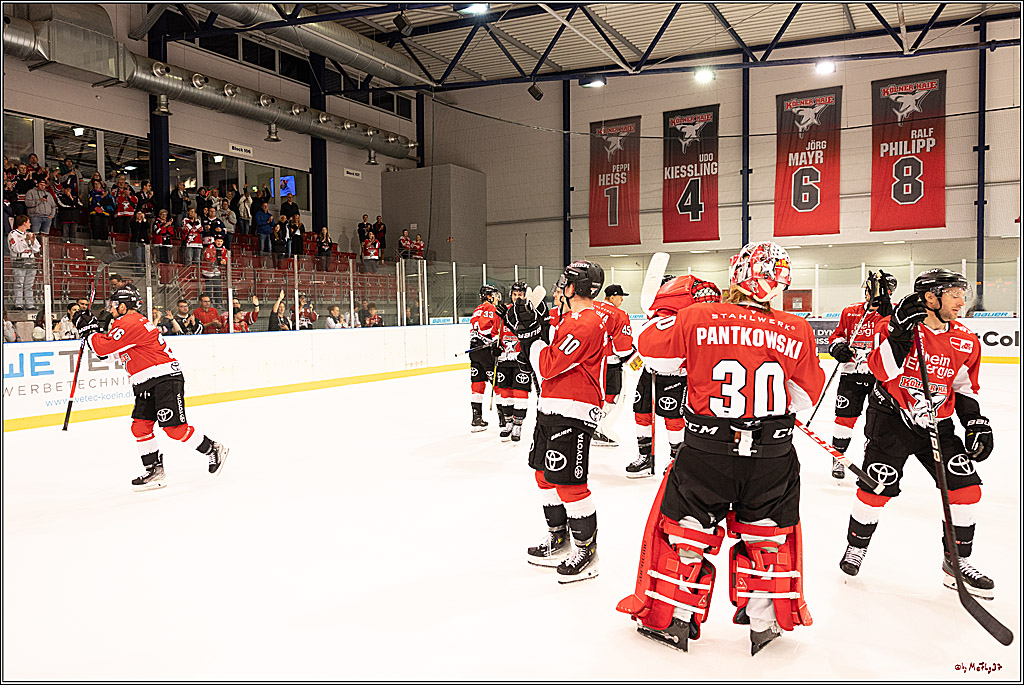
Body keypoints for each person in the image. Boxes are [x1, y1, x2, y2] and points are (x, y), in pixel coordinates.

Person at [617, 242, 824, 655]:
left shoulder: (697, 316)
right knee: (766, 538)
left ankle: (676, 622)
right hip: (772, 454)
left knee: (689, 532)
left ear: (737, 275)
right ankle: (764, 626)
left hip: (706, 451)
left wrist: (664, 313)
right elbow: (804, 398)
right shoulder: (797, 329)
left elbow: (652, 352)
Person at [838, 269, 995, 599]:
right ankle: (857, 547)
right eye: (954, 293)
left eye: (961, 294)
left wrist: (976, 422)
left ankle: (956, 562)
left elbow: (964, 387)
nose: (961, 300)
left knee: (966, 490)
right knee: (876, 489)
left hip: (938, 425)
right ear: (931, 297)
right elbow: (881, 371)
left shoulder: (966, 339)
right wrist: (898, 333)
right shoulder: (898, 327)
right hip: (891, 421)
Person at [504, 260, 608, 584]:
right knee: (543, 475)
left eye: (565, 283)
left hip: (574, 411)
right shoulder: (571, 319)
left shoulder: (587, 323)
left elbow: (548, 364)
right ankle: (559, 539)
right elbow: (550, 351)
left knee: (570, 485)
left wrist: (531, 342)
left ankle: (586, 550)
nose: (560, 288)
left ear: (574, 287)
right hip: (551, 408)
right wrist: (535, 332)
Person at [74, 288, 228, 491]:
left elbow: (103, 348)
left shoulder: (129, 322)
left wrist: (90, 332)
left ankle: (213, 448)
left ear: (123, 306)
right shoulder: (126, 324)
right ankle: (154, 471)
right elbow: (106, 353)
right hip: (145, 382)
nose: (110, 309)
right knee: (140, 426)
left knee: (175, 429)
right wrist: (91, 333)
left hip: (163, 379)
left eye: (113, 305)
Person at [826, 270, 897, 479]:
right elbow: (837, 335)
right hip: (851, 375)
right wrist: (837, 347)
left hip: (880, 378)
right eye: (868, 289)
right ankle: (838, 458)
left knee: (876, 423)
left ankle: (870, 463)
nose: (869, 294)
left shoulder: (893, 315)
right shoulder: (850, 311)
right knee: (844, 419)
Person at [628, 275, 694, 477]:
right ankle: (645, 457)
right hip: (649, 371)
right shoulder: (655, 312)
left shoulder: (688, 310)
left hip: (676, 374)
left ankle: (677, 460)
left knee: (673, 417)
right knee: (641, 411)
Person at [591, 284, 635, 448]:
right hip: (608, 364)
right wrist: (632, 354)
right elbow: (622, 348)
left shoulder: (592, 306)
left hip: (588, 361)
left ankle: (588, 426)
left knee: (593, 396)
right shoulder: (619, 314)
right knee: (612, 397)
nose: (622, 299)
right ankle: (598, 430)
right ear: (613, 296)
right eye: (621, 296)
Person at [493, 282, 533, 442]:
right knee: (505, 392)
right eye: (515, 294)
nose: (517, 297)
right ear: (511, 295)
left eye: (520, 294)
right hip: (504, 358)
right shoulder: (503, 311)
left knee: (520, 392)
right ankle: (508, 422)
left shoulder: (529, 311)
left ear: (525, 295)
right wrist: (494, 349)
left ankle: (518, 424)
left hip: (521, 359)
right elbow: (496, 333)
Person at [468, 285, 501, 431]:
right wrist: (496, 342)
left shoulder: (477, 309)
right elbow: (489, 329)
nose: (496, 298)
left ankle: (477, 419)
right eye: (494, 294)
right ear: (488, 296)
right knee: (497, 384)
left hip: (474, 350)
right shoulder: (491, 309)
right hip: (485, 351)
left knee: (477, 385)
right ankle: (503, 420)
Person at [7, 215, 39, 310]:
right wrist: (25, 241)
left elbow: (37, 248)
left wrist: (32, 242)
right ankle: (18, 305)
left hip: (30, 261)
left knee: (29, 285)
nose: (30, 224)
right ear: (24, 223)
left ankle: (30, 305)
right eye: (29, 222)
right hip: (19, 261)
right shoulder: (13, 234)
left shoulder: (29, 233)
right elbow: (16, 249)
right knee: (19, 284)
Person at [201, 235, 228, 309]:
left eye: (221, 241)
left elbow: (225, 257)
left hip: (216, 271)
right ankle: (210, 303)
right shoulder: (210, 247)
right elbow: (208, 257)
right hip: (208, 271)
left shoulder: (223, 248)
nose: (219, 242)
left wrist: (224, 260)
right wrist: (218, 261)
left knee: (218, 288)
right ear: (215, 241)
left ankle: (218, 303)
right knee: (209, 288)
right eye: (218, 241)